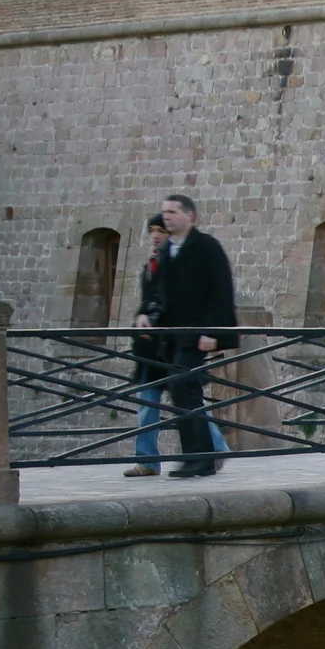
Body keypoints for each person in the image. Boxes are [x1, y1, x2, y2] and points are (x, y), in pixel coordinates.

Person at [153, 194, 236, 478]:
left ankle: (200, 457)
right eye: (164, 212)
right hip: (174, 334)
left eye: (172, 212)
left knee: (184, 386)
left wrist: (213, 332)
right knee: (182, 391)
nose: (166, 216)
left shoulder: (206, 247)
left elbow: (221, 291)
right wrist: (149, 315)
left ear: (190, 216)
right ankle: (198, 456)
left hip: (197, 331)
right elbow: (160, 292)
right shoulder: (167, 250)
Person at [122, 215, 173, 478]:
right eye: (152, 230)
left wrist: (151, 318)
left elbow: (169, 302)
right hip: (149, 346)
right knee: (147, 402)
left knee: (188, 404)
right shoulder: (150, 265)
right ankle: (147, 460)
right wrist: (143, 319)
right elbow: (148, 301)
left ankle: (217, 449)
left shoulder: (175, 264)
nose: (155, 235)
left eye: (160, 230)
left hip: (170, 344)